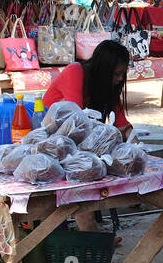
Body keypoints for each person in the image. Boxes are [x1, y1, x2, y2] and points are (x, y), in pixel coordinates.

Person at [42, 39, 132, 232]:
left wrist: (136, 146)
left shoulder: (109, 87)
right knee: (82, 177)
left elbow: (123, 125)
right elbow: (76, 121)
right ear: (103, 70)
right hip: (53, 139)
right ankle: (90, 235)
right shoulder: (76, 72)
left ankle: (91, 234)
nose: (119, 79)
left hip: (79, 141)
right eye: (116, 74)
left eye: (122, 74)